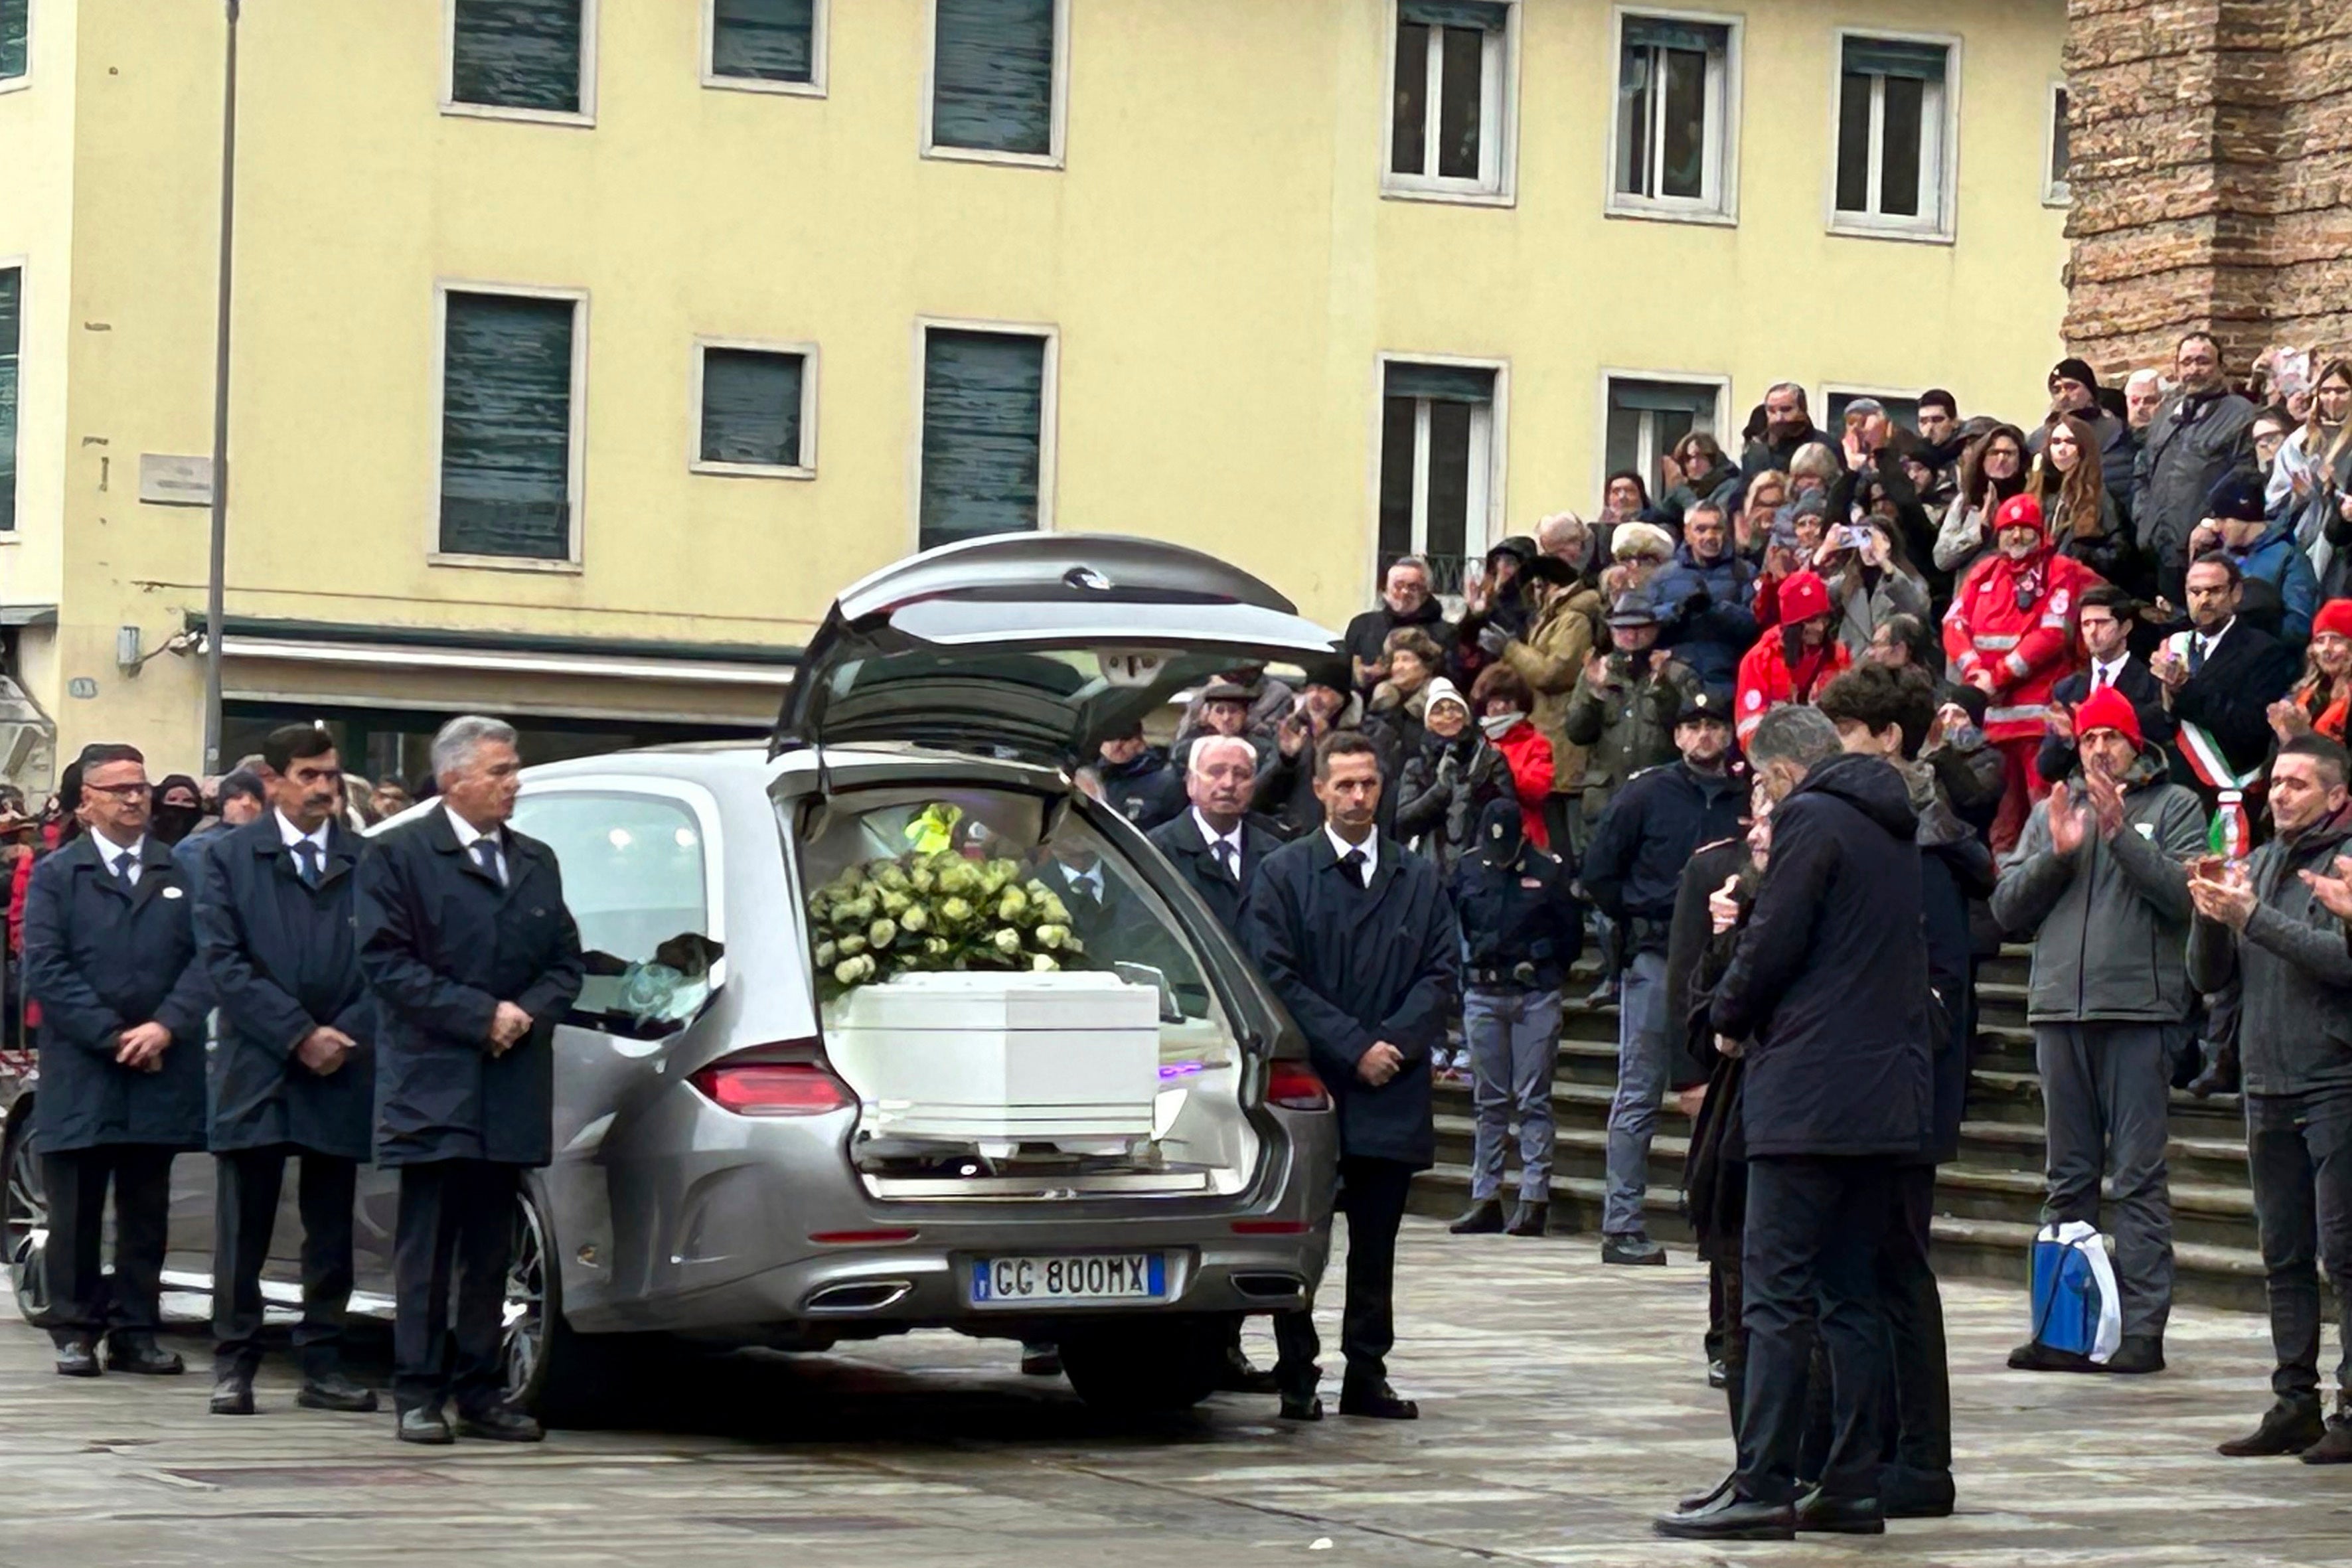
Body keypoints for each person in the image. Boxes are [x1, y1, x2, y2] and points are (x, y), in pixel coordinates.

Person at [1656, 704, 1933, 1543]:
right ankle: (1849, 1481)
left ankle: (1763, 1480)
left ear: (1780, 773)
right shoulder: (1892, 827)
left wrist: (1725, 1021)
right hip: (1881, 1099)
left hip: (1806, 1097)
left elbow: (1773, 940)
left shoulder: (1813, 818)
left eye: (1762, 783)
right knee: (1850, 1294)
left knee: (1774, 1296)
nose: (1762, 800)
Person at [356, 716, 584, 1445]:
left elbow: (565, 963)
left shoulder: (536, 861)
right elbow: (387, 964)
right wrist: (477, 1014)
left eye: (513, 769)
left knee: (490, 1246)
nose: (512, 783)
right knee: (427, 1247)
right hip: (434, 1079)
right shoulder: (397, 855)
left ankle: (481, 1389)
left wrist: (524, 1014)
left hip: (509, 1080)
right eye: (498, 770)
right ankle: (418, 1390)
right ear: (453, 778)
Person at [1814, 662, 1992, 1519]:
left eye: (1845, 737)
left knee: (1896, 1271)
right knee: (1884, 1268)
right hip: (1890, 1087)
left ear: (1887, 740)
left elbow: (1934, 985)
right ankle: (1892, 1447)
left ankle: (1917, 1457)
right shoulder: (1898, 831)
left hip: (1900, 1093)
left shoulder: (1915, 841)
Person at [1241, 732, 1458, 1423]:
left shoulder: (1416, 875)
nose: (1359, 797)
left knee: (1377, 1243)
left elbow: (1441, 971)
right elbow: (1276, 975)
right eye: (1345, 785)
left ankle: (1368, 1370)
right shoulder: (1284, 872)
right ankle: (1297, 1371)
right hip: (1316, 1088)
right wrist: (1353, 1046)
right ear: (1320, 789)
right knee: (1303, 1236)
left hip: (1392, 1085)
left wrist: (1393, 1043)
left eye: (1368, 784)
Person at [1992, 686, 2206, 1376]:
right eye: (2088, 739)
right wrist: (2057, 854)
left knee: (2138, 1176)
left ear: (2136, 744)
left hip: (2139, 1011)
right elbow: (2004, 908)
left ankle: (2143, 1328)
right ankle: (2065, 1328)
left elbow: (2183, 898)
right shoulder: (2057, 808)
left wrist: (2119, 838)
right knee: (2067, 1177)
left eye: (2112, 737)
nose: (2100, 750)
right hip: (2059, 1009)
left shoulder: (2174, 806)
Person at [193, 724, 380, 1418]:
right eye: (308, 774)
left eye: (331, 773)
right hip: (260, 1062)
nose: (324, 786)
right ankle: (234, 1362)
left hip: (343, 1060)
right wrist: (297, 1032)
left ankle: (323, 1361)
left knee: (331, 1223)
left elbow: (386, 958)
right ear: (272, 781)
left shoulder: (369, 859)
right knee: (245, 1222)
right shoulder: (229, 858)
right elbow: (223, 959)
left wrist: (344, 1034)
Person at [19, 743, 212, 1379]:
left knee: (146, 1207)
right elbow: (47, 967)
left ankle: (137, 1330)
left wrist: (164, 1027)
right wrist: (113, 1036)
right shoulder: (58, 872)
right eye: (119, 789)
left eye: (141, 786)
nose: (136, 798)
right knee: (75, 1206)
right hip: (86, 1066)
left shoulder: (179, 871)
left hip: (161, 1063)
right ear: (86, 804)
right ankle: (74, 1327)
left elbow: (205, 961)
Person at [2188, 735, 2352, 1462]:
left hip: (2334, 1077)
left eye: (2298, 784)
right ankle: (2295, 1399)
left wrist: (2253, 916)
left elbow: (2340, 962)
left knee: (2344, 1252)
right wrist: (2209, 912)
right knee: (2282, 1251)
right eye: (2276, 782)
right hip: (2265, 1076)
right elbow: (2210, 979)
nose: (2280, 794)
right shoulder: (2258, 862)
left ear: (2337, 795)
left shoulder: (2343, 863)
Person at [1145, 732, 1286, 1397]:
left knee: (1243, 1185)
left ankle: (1227, 1342)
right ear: (1192, 781)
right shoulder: (1158, 850)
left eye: (1240, 773)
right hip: (1189, 1039)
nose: (1228, 783)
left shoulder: (1277, 851)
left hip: (1258, 1033)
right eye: (1216, 772)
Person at [1581, 691, 1743, 1267]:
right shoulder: (1646, 792)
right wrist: (1640, 910)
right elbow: (1599, 870)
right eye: (1692, 726)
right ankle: (1621, 1221)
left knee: (1721, 1090)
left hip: (1726, 953)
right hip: (1654, 952)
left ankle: (1714, 1215)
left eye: (1713, 726)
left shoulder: (1743, 797)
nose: (1703, 736)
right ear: (1675, 736)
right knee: (1641, 1086)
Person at [1447, 797, 1579, 1239]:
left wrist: (1546, 971)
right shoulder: (1468, 869)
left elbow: (1570, 934)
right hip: (1483, 992)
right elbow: (1454, 926)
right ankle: (1484, 1195)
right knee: (1488, 1101)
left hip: (1532, 995)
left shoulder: (1547, 870)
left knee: (1532, 1099)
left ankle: (1533, 1196)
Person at [1942, 493, 2102, 853]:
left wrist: (1995, 678)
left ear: (2040, 532)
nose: (2016, 537)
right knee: (2003, 823)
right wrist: (1974, 672)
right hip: (1994, 725)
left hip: (2038, 723)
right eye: (2008, 529)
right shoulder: (1983, 572)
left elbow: (2051, 634)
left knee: (2045, 814)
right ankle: (2006, 893)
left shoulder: (2060, 571)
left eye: (2024, 529)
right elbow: (1953, 622)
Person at [2152, 554, 2302, 847]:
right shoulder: (2174, 647)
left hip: (2231, 797)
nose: (2203, 600)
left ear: (2236, 594)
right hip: (2177, 795)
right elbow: (2162, 722)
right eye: (2195, 592)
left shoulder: (2263, 650)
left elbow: (2251, 728)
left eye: (2214, 591)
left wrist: (2185, 689)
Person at [1493, 544, 1605, 856]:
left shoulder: (1575, 619)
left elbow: (1554, 673)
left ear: (1552, 585)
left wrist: (1510, 649)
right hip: (1550, 730)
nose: (1535, 593)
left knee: (1566, 836)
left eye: (1539, 586)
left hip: (1565, 735)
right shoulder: (1554, 616)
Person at [2134, 333, 2260, 605]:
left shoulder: (2241, 414)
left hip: (2208, 549)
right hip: (2159, 546)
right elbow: (2143, 472)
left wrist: (2211, 524)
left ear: (2220, 367)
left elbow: (2246, 476)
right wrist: (2143, 518)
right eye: (2187, 362)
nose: (2194, 370)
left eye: (2203, 361)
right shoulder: (2166, 415)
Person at [1566, 593, 1703, 838]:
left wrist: (1662, 688)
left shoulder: (1679, 674)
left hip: (1661, 798)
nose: (1631, 637)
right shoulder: (1596, 672)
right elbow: (1577, 733)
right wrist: (1596, 695)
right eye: (1622, 629)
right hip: (1606, 799)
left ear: (1655, 630)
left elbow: (1689, 733)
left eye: (1640, 629)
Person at [2038, 583, 2177, 785]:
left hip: (2140, 792)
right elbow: (2048, 769)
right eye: (2087, 624)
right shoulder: (2067, 689)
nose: (2093, 632)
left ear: (2125, 627)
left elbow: (2161, 739)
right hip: (2084, 797)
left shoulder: (2153, 683)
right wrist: (2065, 740)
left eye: (2102, 623)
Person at [2188, 471, 2320, 648]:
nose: (2217, 527)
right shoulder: (2223, 556)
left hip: (2267, 663)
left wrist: (2253, 636)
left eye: (2223, 519)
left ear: (2244, 517)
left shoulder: (2289, 558)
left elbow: (2300, 627)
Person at [1394, 678, 1508, 876]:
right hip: (1431, 863)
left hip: (1482, 860)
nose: (1448, 715)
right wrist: (1440, 790)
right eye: (1438, 710)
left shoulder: (1491, 759)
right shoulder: (1417, 767)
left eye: (1455, 709)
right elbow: (1405, 820)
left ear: (1467, 718)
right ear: (1428, 723)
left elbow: (1506, 809)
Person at [1651, 501, 1760, 695]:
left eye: (1716, 529)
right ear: (1687, 533)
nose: (1710, 536)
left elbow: (1754, 624)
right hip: (1675, 674)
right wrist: (1679, 610)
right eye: (1701, 530)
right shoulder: (1663, 575)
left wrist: (1714, 608)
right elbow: (1647, 620)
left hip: (1727, 673)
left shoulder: (1744, 571)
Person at [1733, 571, 1851, 747]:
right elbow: (1748, 728)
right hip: (1781, 757)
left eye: (1824, 618)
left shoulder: (1838, 655)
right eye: (1811, 620)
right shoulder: (1759, 661)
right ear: (1792, 624)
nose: (1820, 627)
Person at [2036, 411, 2142, 595]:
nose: (2062, 449)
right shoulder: (2046, 494)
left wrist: (2084, 555)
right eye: (2056, 442)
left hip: (2084, 589)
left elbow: (2120, 553)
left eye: (2070, 442)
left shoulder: (2100, 496)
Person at [2028, 358, 2140, 516]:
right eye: (2057, 390)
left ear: (2090, 392)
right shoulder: (2040, 439)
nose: (2063, 396)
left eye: (2071, 387)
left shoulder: (2115, 431)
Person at [1933, 424, 2032, 582]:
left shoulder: (2031, 500)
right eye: (1994, 453)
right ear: (1982, 458)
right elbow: (1942, 559)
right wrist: (1979, 531)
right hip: (1972, 597)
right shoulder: (1966, 501)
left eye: (2009, 454)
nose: (2001, 460)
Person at [1468, 664, 1552, 849]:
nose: (1500, 707)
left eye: (1508, 700)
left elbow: (1537, 790)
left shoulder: (1536, 742)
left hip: (1525, 837)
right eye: (1493, 700)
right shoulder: (1474, 742)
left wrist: (1500, 762)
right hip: (1478, 835)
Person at [1346, 556, 1455, 693]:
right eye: (1398, 586)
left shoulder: (1445, 632)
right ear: (1386, 590)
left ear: (1425, 593)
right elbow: (1345, 675)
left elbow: (1451, 679)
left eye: (1413, 587)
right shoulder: (1363, 626)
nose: (1405, 592)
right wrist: (1361, 676)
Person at [2270, 598, 2352, 745]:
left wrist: (2303, 736)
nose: (2327, 649)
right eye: (2320, 641)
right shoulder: (2307, 692)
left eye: (2336, 640)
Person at [1092, 722, 1186, 834]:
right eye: (1110, 740)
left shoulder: (1168, 781)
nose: (1116, 746)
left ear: (1139, 741)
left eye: (1123, 741)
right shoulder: (1093, 774)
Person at [175, 768, 267, 880]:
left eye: (255, 799)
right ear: (224, 804)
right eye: (237, 797)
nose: (247, 803)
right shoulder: (196, 848)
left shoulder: (271, 849)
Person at [1742, 382, 1839, 479]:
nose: (1778, 418)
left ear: (1802, 410)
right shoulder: (1756, 452)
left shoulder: (1826, 447)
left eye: (1786, 410)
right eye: (1771, 411)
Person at [150, 775, 206, 845]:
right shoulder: (146, 838)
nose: (179, 804)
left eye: (187, 800)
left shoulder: (206, 838)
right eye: (172, 799)